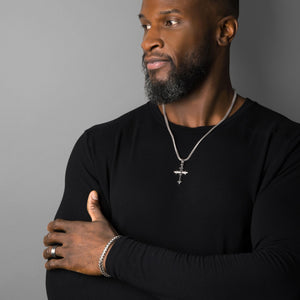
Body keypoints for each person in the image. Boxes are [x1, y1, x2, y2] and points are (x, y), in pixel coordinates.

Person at [43, 0, 300, 299]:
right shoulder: (100, 146)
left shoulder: (284, 146)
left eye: (171, 22)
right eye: (145, 25)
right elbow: (65, 287)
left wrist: (112, 256)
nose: (148, 40)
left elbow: (279, 280)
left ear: (224, 31)